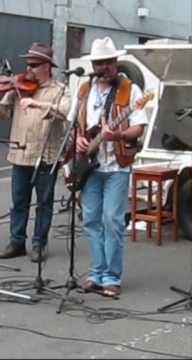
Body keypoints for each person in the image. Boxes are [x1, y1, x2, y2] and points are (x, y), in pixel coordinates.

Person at [0, 43, 70, 262]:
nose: (29, 69)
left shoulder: (59, 90)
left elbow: (66, 111)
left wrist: (36, 103)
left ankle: (39, 244)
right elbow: (2, 112)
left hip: (45, 155)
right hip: (19, 154)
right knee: (18, 202)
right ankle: (17, 242)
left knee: (44, 203)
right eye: (28, 64)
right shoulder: (18, 87)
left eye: (34, 65)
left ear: (47, 66)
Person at [67, 37, 148, 297]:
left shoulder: (131, 90)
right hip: (89, 166)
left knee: (112, 220)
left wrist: (119, 135)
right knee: (91, 220)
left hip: (116, 166)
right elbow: (73, 125)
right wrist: (78, 139)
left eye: (112, 61)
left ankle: (111, 277)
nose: (109, 66)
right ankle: (96, 273)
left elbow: (138, 126)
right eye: (103, 62)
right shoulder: (84, 90)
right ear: (95, 65)